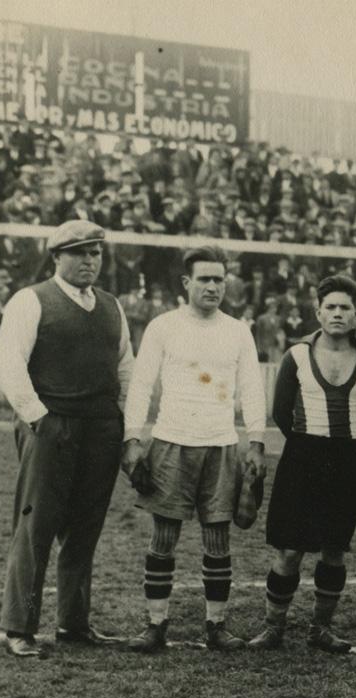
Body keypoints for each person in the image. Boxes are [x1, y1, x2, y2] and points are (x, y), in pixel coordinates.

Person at [0, 220, 134, 657]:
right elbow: (8, 363)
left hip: (101, 428)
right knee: (37, 526)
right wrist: (39, 418)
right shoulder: (30, 300)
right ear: (57, 257)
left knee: (85, 529)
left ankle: (74, 623)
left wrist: (125, 426)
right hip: (52, 424)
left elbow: (125, 367)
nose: (89, 261)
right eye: (79, 253)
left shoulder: (111, 306)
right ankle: (20, 626)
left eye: (96, 253)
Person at [121, 245, 268, 653]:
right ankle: (155, 624)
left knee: (218, 537)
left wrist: (256, 441)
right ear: (186, 283)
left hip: (220, 444)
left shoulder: (238, 330)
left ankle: (216, 626)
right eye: (204, 279)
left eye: (219, 279)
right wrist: (132, 437)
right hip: (171, 441)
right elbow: (141, 383)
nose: (213, 286)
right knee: (163, 536)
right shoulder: (163, 326)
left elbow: (252, 388)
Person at [248, 273, 356, 654]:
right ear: (318, 312)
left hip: (347, 460)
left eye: (345, 308)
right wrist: (310, 443)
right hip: (303, 457)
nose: (338, 313)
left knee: (333, 548)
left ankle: (320, 628)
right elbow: (281, 412)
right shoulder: (296, 355)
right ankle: (273, 627)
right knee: (289, 550)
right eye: (331, 307)